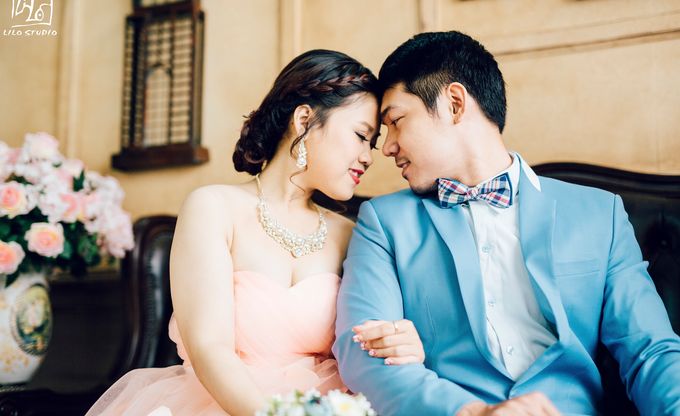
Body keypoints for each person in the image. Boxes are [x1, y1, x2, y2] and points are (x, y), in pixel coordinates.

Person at [334, 31, 680, 416]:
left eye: (397, 121)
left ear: (454, 103)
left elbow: (651, 351)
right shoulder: (384, 223)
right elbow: (360, 349)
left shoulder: (601, 214)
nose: (387, 147)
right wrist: (472, 412)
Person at [87, 49, 426, 416]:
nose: (368, 157)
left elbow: (372, 338)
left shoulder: (351, 233)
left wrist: (405, 340)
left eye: (371, 143)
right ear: (304, 120)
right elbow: (209, 348)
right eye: (361, 135)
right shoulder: (214, 208)